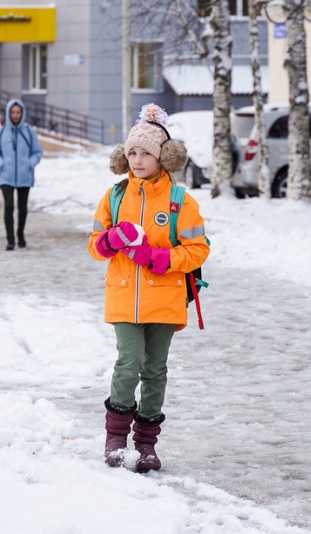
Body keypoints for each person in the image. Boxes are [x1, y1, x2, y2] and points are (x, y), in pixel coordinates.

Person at [87, 103, 210, 472]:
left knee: (155, 370)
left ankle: (146, 444)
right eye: (132, 153)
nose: (138, 160)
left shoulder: (179, 202)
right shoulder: (115, 196)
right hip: (124, 295)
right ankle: (115, 437)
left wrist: (160, 258)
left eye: (146, 153)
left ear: (163, 158)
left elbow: (198, 248)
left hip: (165, 298)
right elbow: (94, 244)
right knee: (129, 363)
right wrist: (110, 240)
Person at [0, 99, 43, 250]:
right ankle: (10, 239)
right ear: (8, 113)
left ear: (22, 113)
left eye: (18, 112)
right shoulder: (1, 132)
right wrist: (1, 163)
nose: (15, 115)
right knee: (9, 206)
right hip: (6, 176)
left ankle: (20, 234)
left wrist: (30, 164)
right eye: (13, 112)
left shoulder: (29, 132)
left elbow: (37, 152)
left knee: (23, 208)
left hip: (25, 176)